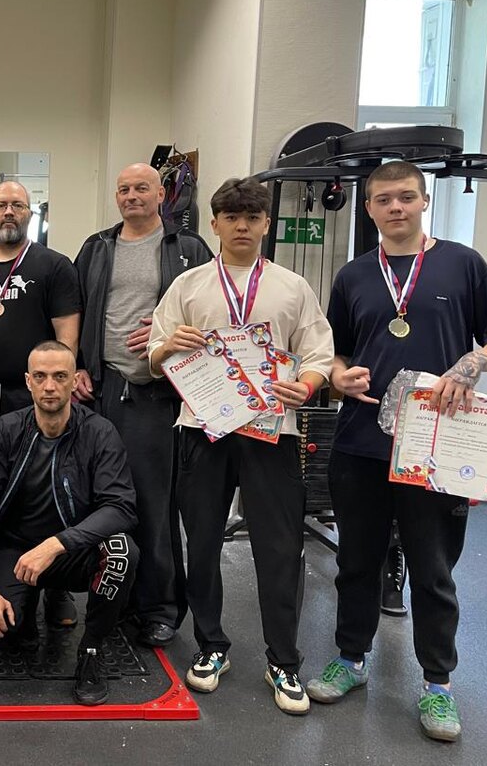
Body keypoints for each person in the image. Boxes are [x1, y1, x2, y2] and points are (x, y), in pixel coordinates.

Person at [306, 160, 487, 742]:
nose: (395, 207)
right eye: (383, 200)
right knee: (357, 561)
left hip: (437, 445)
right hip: (362, 442)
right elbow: (335, 351)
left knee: (432, 570)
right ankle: (350, 658)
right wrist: (339, 376)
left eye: (405, 197)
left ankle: (438, 684)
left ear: (424, 201)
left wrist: (472, 361)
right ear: (369, 208)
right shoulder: (354, 275)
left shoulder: (463, 264)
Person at [147, 177, 334, 716]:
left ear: (266, 224)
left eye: (252, 217)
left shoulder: (292, 287)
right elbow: (154, 354)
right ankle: (211, 645)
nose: (242, 226)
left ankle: (284, 660)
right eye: (231, 217)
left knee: (278, 546)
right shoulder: (188, 285)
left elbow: (318, 354)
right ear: (215, 224)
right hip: (202, 428)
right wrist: (169, 346)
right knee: (203, 541)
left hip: (273, 431)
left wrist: (308, 385)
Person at [73, 163, 213, 649]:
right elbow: (75, 311)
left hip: (156, 393)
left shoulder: (187, 248)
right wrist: (78, 366)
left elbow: (214, 309)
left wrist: (167, 323)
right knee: (103, 499)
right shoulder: (97, 247)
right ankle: (115, 600)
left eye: (141, 188)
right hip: (102, 388)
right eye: (124, 189)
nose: (132, 195)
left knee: (152, 502)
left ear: (160, 195)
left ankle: (160, 607)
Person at [0, 341, 138, 706]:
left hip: (71, 550)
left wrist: (57, 544)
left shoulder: (100, 432)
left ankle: (91, 650)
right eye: (40, 377)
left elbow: (121, 507)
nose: (49, 386)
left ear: (74, 381)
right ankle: (26, 605)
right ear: (28, 382)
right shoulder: (5, 431)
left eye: (60, 377)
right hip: (15, 550)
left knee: (123, 552)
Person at [0, 180, 82, 627]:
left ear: (30, 214)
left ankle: (58, 588)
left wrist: (58, 387)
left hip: (35, 396)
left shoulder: (54, 266)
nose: (9, 212)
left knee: (45, 485)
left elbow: (67, 334)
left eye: (18, 206)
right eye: (1, 205)